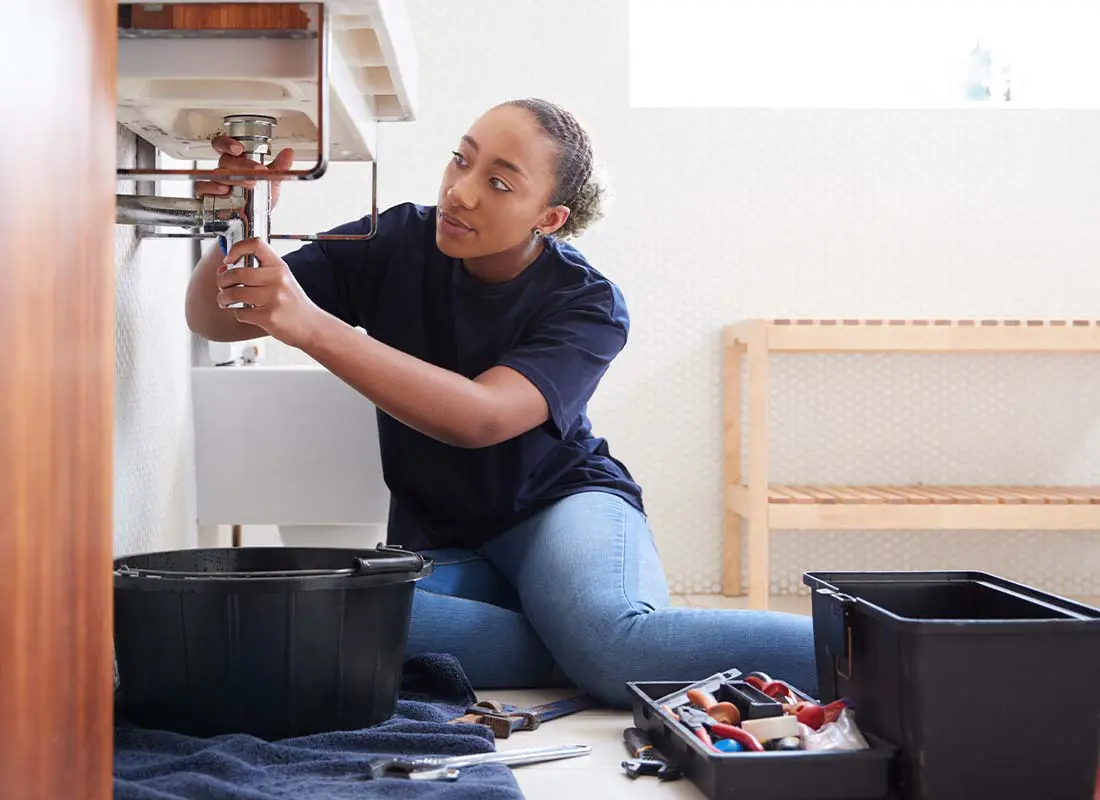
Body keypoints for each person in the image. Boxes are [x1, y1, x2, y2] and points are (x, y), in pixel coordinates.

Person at [185, 98, 817, 708]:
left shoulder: (589, 303)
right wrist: (240, 216)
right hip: (444, 534)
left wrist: (315, 327)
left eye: (500, 183)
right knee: (315, 617)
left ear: (549, 219)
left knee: (615, 647)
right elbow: (220, 318)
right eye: (461, 160)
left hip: (559, 506)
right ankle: (565, 645)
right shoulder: (398, 239)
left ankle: (872, 641)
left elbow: (479, 417)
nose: (461, 191)